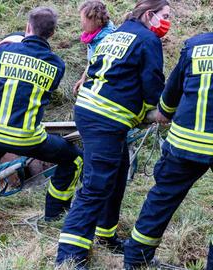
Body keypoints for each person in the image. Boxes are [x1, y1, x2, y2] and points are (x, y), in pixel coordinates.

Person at [56, 0, 171, 267]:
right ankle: (69, 257)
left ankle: (106, 235)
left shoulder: (118, 33)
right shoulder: (147, 40)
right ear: (150, 15)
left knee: (118, 173)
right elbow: (152, 82)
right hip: (104, 119)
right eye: (165, 16)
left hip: (92, 112)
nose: (168, 22)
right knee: (96, 186)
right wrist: (158, 110)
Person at [0, 7, 83, 230]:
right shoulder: (57, 65)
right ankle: (54, 214)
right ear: (53, 33)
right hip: (27, 137)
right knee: (74, 159)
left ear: (27, 27)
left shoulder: (3, 52)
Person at [123, 32, 213, 269]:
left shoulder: (195, 45)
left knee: (162, 198)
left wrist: (164, 110)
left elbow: (172, 90)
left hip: (184, 141)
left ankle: (135, 258)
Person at [73, 0, 116, 96]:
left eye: (84, 20)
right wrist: (83, 79)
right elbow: (91, 60)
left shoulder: (107, 41)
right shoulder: (94, 35)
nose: (82, 24)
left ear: (97, 20)